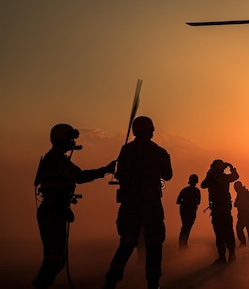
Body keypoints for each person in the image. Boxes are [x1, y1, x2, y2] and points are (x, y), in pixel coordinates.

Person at [32, 123, 116, 289]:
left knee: (57, 258)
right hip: (53, 212)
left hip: (54, 210)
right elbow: (80, 176)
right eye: (70, 138)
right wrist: (105, 170)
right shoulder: (57, 161)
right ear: (63, 140)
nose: (72, 142)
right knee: (54, 258)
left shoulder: (53, 159)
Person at [103, 116, 173, 289]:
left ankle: (110, 282)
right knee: (154, 244)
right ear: (151, 131)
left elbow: (119, 174)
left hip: (129, 205)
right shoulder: (159, 152)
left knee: (126, 243)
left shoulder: (126, 150)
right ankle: (153, 283)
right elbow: (168, 175)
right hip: (151, 205)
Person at [201, 159, 239, 263]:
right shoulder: (224, 178)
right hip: (223, 209)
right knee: (227, 232)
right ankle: (230, 255)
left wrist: (210, 173)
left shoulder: (213, 178)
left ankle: (224, 256)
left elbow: (203, 184)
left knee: (220, 233)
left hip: (220, 209)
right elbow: (235, 176)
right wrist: (231, 167)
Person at [176, 174, 201, 250]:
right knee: (185, 228)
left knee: (187, 228)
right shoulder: (185, 190)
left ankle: (183, 244)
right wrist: (187, 202)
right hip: (185, 211)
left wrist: (193, 201)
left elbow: (198, 202)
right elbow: (178, 201)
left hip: (192, 211)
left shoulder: (196, 191)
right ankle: (182, 245)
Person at [233, 181, 249, 251]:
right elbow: (235, 204)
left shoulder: (248, 194)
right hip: (243, 216)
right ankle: (244, 243)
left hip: (248, 215)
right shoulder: (240, 195)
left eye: (236, 188)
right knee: (240, 229)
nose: (235, 190)